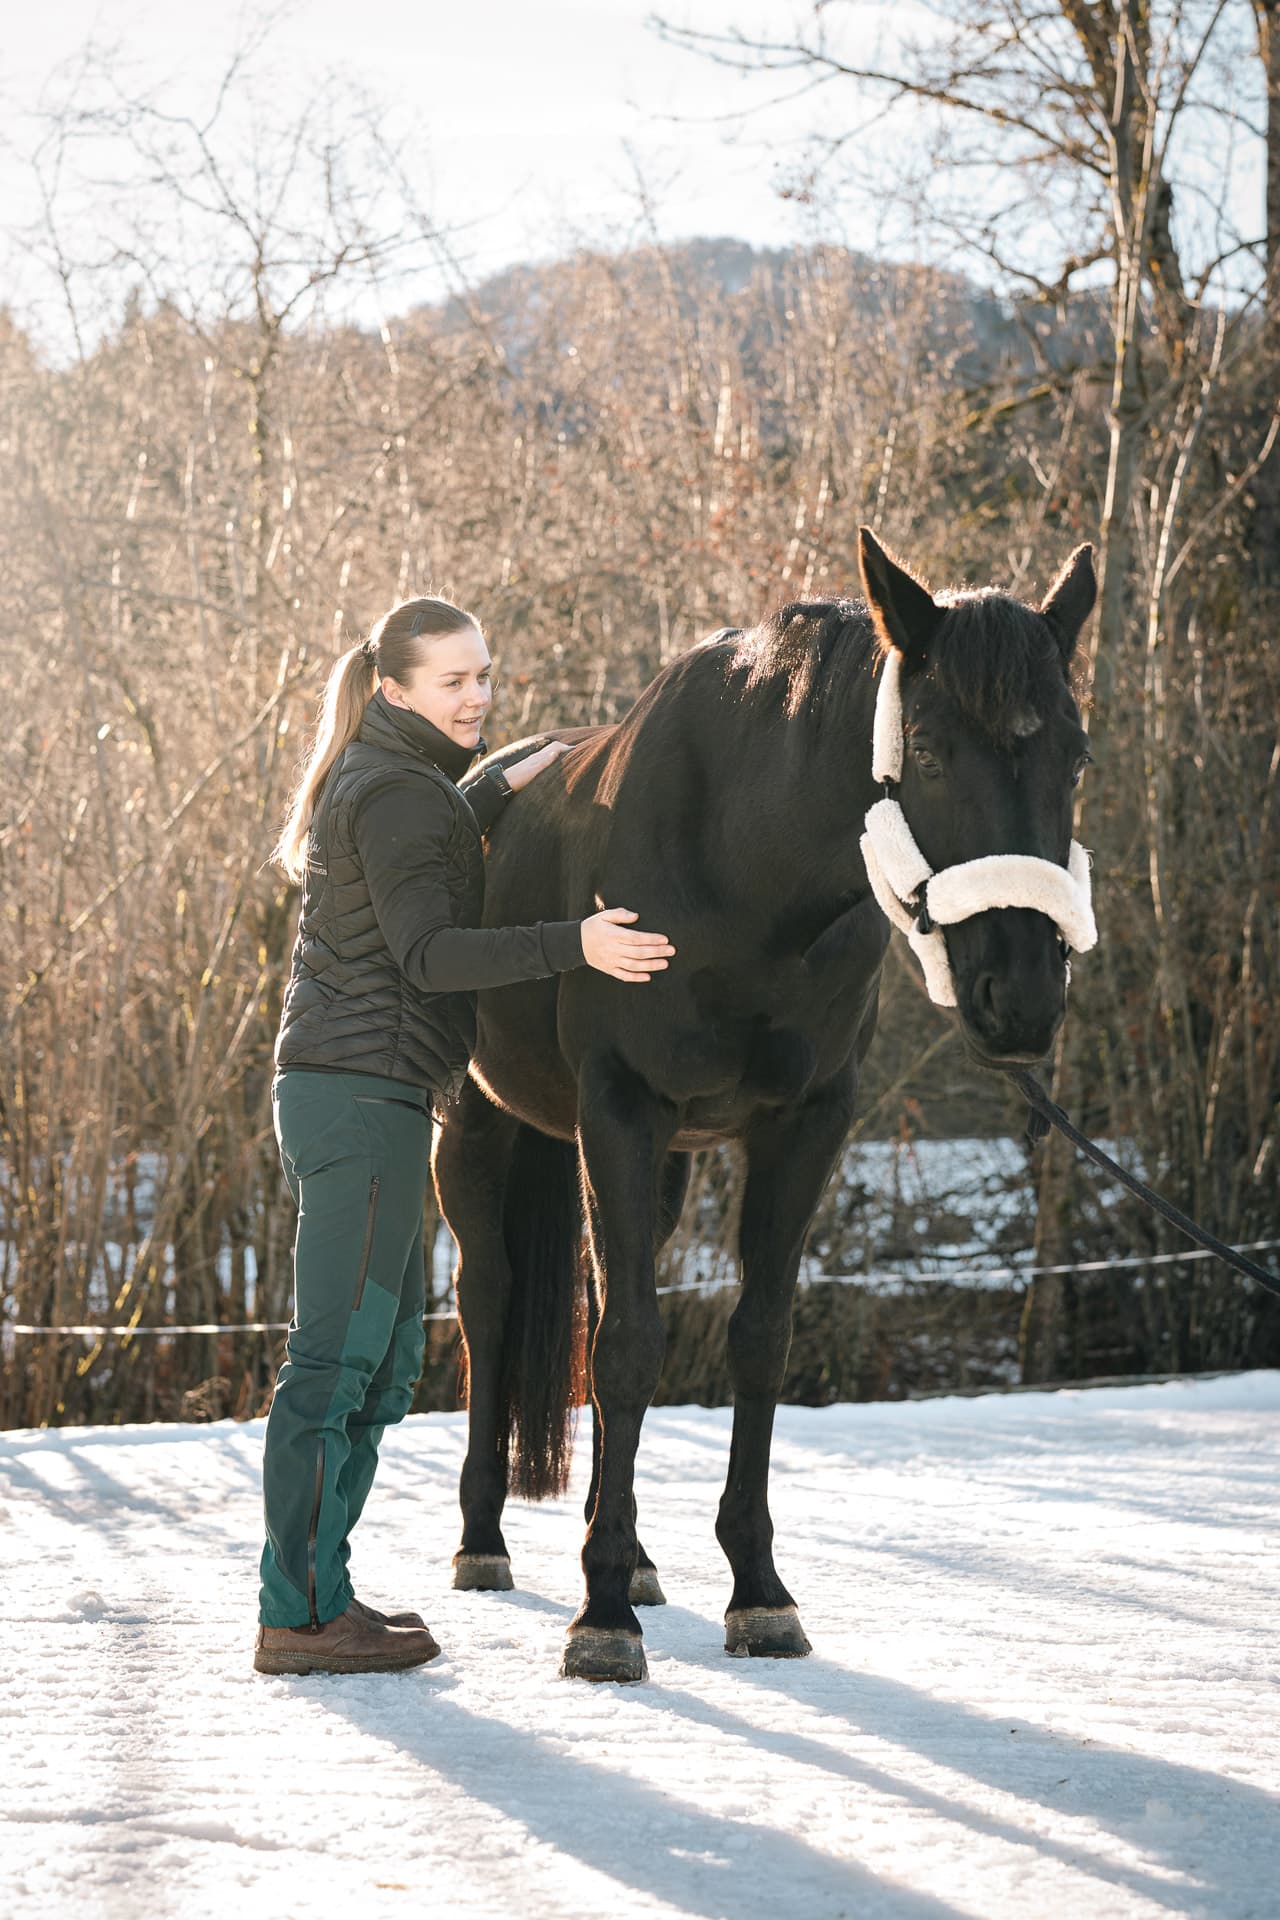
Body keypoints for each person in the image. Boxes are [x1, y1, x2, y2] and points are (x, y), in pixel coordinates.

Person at [254, 596, 675, 1676]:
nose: (478, 695)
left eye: (483, 675)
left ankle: (322, 1593)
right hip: (357, 1094)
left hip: (380, 1093)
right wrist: (573, 943)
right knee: (335, 1362)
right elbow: (431, 955)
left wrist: (493, 783)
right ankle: (296, 1613)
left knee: (383, 1361)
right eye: (453, 681)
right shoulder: (394, 792)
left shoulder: (408, 781)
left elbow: (435, 835)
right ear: (392, 689)